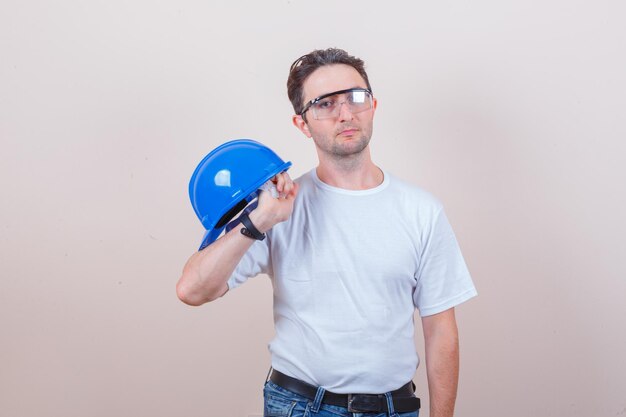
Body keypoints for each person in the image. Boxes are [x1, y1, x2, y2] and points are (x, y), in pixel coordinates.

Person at [176, 48, 477, 417]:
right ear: (302, 124)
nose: (345, 113)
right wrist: (259, 222)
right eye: (325, 104)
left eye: (355, 97)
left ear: (373, 105)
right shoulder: (278, 210)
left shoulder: (421, 210)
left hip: (394, 408)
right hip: (299, 406)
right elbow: (192, 289)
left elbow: (441, 331)